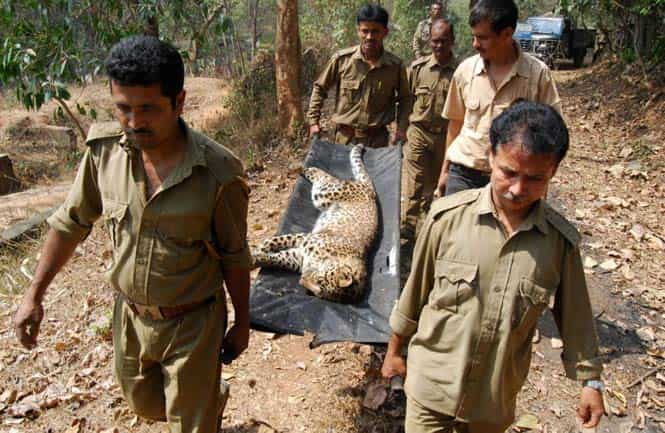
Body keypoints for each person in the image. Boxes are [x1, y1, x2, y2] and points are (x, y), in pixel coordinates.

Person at [13, 36, 251, 433]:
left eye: (148, 109)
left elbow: (235, 255)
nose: (135, 122)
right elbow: (70, 222)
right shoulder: (103, 154)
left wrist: (242, 322)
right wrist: (33, 295)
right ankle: (209, 397)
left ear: (179, 102)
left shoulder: (218, 174)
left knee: (189, 423)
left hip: (193, 323)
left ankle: (202, 402)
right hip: (130, 320)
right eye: (123, 108)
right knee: (145, 405)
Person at [383, 101, 605, 433]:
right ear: (490, 157)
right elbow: (414, 293)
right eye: (508, 172)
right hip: (431, 390)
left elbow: (577, 318)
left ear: (553, 172)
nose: (517, 189)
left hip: (492, 403)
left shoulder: (559, 244)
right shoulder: (446, 219)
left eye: (534, 178)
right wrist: (395, 351)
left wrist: (591, 382)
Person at [436, 0, 561, 196]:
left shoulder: (537, 75)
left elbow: (552, 135)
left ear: (507, 34)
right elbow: (455, 126)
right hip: (464, 175)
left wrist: (540, 185)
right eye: (474, 37)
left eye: (482, 38)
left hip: (512, 181)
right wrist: (444, 172)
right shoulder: (465, 71)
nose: (475, 44)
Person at [307, 4, 411, 147]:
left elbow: (406, 99)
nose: (369, 37)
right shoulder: (342, 60)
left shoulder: (395, 67)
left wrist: (401, 128)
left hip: (377, 142)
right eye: (365, 31)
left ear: (385, 32)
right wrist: (314, 122)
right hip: (344, 140)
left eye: (375, 31)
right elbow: (319, 88)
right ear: (358, 31)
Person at [401, 18, 456, 243]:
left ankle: (431, 234)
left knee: (436, 186)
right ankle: (406, 233)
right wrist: (401, 130)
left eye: (443, 41)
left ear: (452, 41)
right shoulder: (417, 69)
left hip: (446, 136)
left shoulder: (461, 72)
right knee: (413, 184)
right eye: (434, 41)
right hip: (419, 133)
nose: (439, 46)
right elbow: (405, 101)